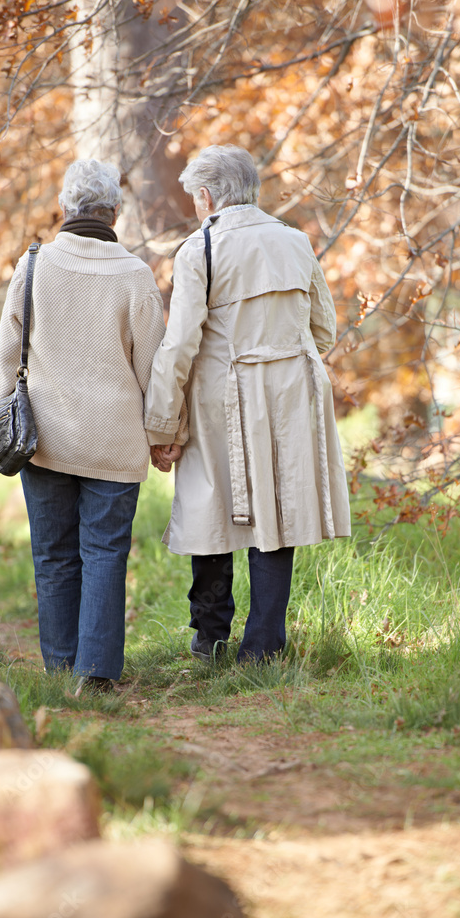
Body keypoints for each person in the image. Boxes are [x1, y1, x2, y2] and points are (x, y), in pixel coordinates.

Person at [145, 144, 351, 664]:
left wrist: (162, 423)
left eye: (196, 196)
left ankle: (210, 639)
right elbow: (323, 328)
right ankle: (263, 647)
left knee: (208, 509)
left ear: (208, 195)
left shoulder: (200, 250)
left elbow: (180, 344)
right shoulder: (296, 241)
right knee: (278, 513)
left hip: (223, 396)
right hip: (291, 393)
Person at [0, 158, 181, 694]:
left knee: (53, 555)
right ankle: (94, 675)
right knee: (104, 553)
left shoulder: (33, 266)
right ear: (115, 211)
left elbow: (7, 356)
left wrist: (0, 420)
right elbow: (153, 367)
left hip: (44, 438)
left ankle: (59, 668)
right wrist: (165, 435)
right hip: (114, 443)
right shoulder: (135, 275)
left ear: (64, 208)